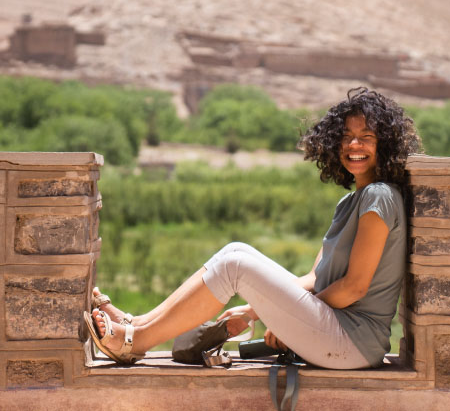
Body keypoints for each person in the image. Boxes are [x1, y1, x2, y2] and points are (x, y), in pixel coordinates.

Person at [85, 87, 420, 369]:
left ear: (385, 145)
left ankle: (136, 342)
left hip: (354, 341)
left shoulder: (380, 197)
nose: (354, 146)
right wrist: (264, 310)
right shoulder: (351, 203)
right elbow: (315, 280)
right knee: (237, 251)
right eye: (347, 137)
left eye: (366, 138)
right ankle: (137, 324)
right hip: (334, 330)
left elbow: (354, 288)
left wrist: (278, 317)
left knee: (236, 265)